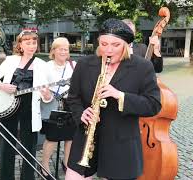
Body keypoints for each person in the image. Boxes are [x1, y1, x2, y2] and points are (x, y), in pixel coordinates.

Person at [65, 18, 161, 180]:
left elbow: (153, 105)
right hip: (85, 141)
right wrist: (80, 113)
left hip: (121, 145)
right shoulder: (84, 64)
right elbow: (73, 98)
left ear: (125, 45)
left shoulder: (142, 67)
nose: (108, 50)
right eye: (103, 44)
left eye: (115, 45)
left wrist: (119, 96)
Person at [0, 29, 52, 180]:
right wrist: (2, 86)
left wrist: (47, 95)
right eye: (27, 42)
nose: (31, 46)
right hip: (9, 106)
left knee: (30, 147)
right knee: (6, 144)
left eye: (34, 42)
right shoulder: (10, 61)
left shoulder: (42, 65)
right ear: (20, 44)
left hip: (30, 108)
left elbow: (47, 95)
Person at [40, 37, 76, 179]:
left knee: (71, 137)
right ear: (53, 50)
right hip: (52, 104)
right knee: (52, 138)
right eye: (60, 48)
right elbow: (42, 85)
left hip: (71, 104)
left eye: (66, 49)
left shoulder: (74, 65)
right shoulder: (46, 66)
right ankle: (44, 165)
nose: (63, 51)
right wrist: (46, 93)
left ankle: (67, 163)